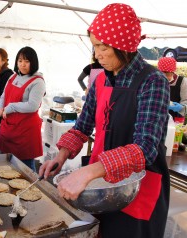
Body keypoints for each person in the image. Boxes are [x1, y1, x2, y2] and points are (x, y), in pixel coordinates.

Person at [40, 4, 170, 238]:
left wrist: (89, 172)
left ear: (124, 46)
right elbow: (82, 127)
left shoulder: (152, 81)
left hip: (138, 189)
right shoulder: (100, 80)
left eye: (103, 46)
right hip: (102, 186)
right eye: (94, 46)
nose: (97, 54)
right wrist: (60, 155)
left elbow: (146, 149)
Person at [0, 46, 46, 171]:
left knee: (26, 168)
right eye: (20, 61)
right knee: (5, 164)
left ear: (33, 62)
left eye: (27, 61)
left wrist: (10, 107)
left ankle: (34, 189)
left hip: (25, 131)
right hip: (9, 128)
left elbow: (32, 105)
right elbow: (4, 95)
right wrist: (0, 108)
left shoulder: (38, 81)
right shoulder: (13, 77)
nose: (23, 65)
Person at [157, 57, 187, 121]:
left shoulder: (183, 82)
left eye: (167, 73)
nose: (164, 76)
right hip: (158, 118)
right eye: (162, 73)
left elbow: (185, 101)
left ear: (173, 72)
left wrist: (182, 108)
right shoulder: (155, 81)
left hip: (176, 120)